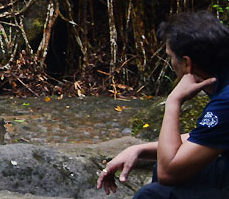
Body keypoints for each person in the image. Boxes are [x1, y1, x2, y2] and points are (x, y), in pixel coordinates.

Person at [97, 11, 229, 198]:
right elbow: (206, 137)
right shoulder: (222, 79)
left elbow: (168, 173)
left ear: (187, 63)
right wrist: (140, 149)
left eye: (170, 57)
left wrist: (173, 102)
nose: (171, 63)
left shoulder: (225, 101)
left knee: (152, 194)